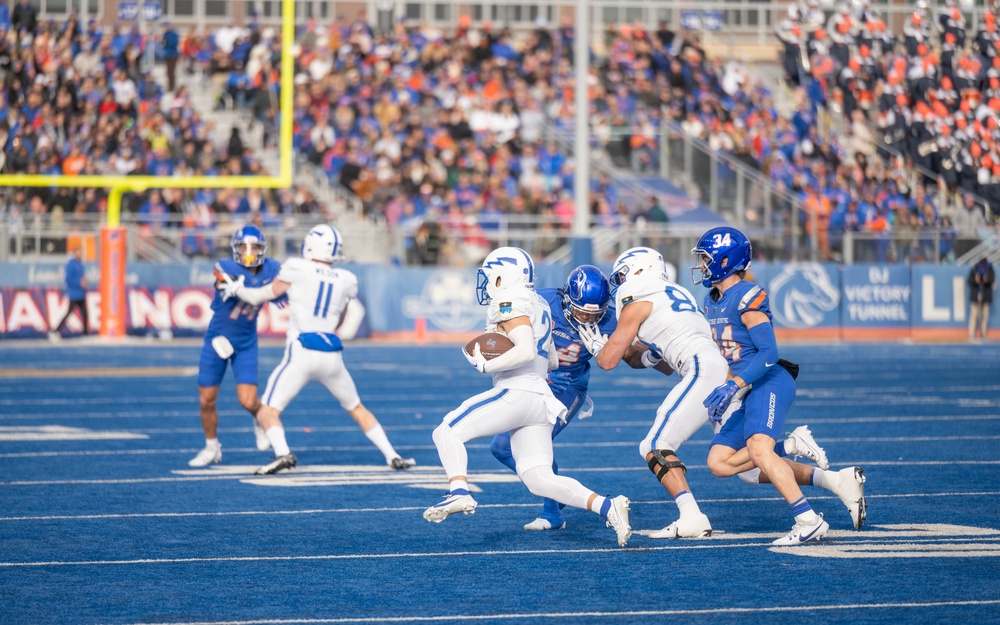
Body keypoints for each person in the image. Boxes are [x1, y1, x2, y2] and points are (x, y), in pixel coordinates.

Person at [583, 247, 828, 539]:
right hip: (716, 370)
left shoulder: (636, 296)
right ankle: (796, 455)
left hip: (705, 370)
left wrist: (601, 348)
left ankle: (692, 516)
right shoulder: (676, 294)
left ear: (638, 271)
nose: (620, 283)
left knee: (654, 444)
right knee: (732, 463)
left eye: (622, 275)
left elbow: (608, 362)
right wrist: (640, 354)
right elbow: (662, 364)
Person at [423, 247, 632, 547]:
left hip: (518, 392)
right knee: (538, 478)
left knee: (446, 431)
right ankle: (608, 506)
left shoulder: (509, 299)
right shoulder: (540, 304)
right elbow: (553, 361)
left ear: (503, 275)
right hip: (540, 398)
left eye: (490, 276)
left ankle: (458, 492)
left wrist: (486, 364)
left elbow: (524, 351)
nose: (487, 283)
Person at [691, 227, 867, 545]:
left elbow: (769, 353)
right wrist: (727, 384)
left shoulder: (747, 295)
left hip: (769, 381)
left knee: (758, 449)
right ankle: (790, 446)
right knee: (718, 463)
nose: (702, 265)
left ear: (724, 259)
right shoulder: (710, 301)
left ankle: (808, 520)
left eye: (705, 258)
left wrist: (735, 385)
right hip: (746, 386)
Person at [218, 224, 415, 475]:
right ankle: (392, 455)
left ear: (310, 245)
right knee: (356, 407)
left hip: (301, 350)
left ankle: (282, 453)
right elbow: (346, 314)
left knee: (267, 411)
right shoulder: (347, 279)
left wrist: (236, 288)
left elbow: (260, 296)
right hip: (331, 352)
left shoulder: (297, 268)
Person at [490, 265, 670, 531]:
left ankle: (552, 508)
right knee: (500, 447)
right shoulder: (542, 302)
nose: (587, 319)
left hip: (567, 387)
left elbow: (639, 355)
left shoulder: (611, 318)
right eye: (581, 311)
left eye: (593, 314)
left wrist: (655, 355)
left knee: (527, 441)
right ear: (566, 298)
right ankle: (556, 495)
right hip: (534, 380)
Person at [189, 224, 285, 467]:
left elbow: (283, 295)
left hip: (246, 341)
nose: (250, 252)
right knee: (206, 399)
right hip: (219, 337)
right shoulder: (226, 267)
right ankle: (212, 448)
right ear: (234, 248)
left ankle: (258, 419)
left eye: (255, 247)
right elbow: (228, 282)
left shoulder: (273, 268)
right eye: (244, 247)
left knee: (249, 401)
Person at [49, 247, 88, 341]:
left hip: (81, 293)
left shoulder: (80, 264)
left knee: (85, 314)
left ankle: (85, 333)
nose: (80, 254)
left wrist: (85, 282)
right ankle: (55, 331)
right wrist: (79, 283)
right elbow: (68, 279)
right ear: (75, 253)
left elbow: (82, 277)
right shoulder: (71, 264)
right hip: (74, 294)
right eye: (78, 252)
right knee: (68, 313)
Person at [968, 257, 995, 342]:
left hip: (986, 295)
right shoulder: (974, 269)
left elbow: (992, 280)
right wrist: (975, 280)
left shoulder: (990, 268)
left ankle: (983, 334)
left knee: (984, 316)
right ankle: (971, 334)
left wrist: (987, 280)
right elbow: (969, 281)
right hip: (976, 295)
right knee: (974, 315)